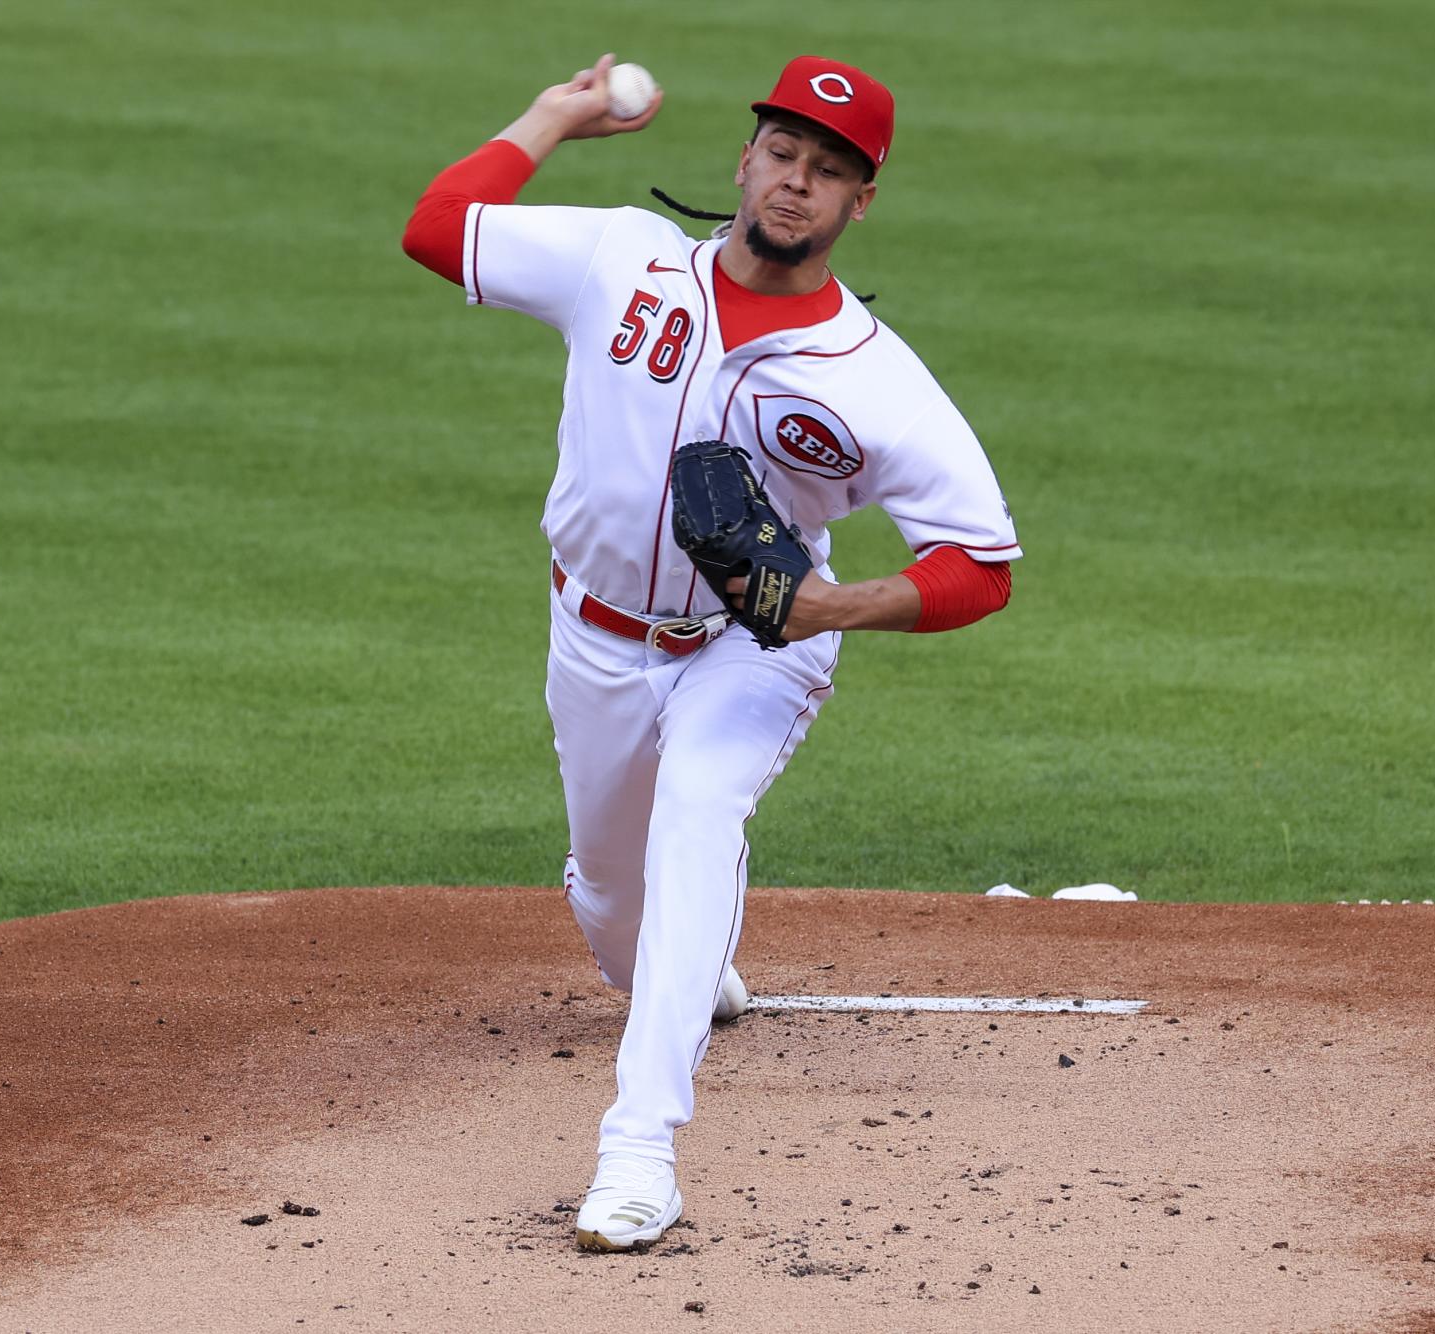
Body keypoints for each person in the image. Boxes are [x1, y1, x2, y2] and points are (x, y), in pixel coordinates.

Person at [401, 53, 1021, 1251]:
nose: (796, 183)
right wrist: (552, 117)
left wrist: (830, 608)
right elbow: (437, 229)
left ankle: (639, 1153)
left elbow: (979, 565)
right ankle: (682, 972)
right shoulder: (620, 260)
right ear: (744, 160)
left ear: (858, 203)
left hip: (749, 652)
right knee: (607, 899)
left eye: (828, 171)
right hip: (589, 638)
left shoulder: (873, 380)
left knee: (696, 813)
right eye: (783, 154)